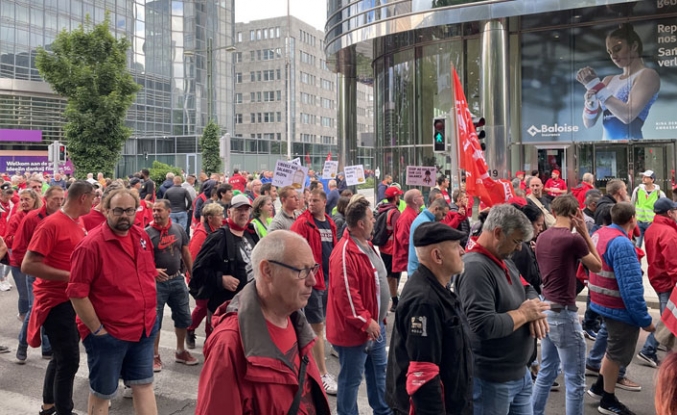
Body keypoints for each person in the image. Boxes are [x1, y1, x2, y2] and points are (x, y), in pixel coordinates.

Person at [196, 231, 331, 414]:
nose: (312, 281)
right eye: (302, 271)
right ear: (267, 271)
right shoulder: (229, 344)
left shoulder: (295, 321)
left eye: (313, 269)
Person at [68, 188, 158, 414]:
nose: (124, 215)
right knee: (102, 394)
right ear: (106, 210)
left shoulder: (142, 236)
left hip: (144, 330)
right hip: (109, 334)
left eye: (130, 210)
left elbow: (147, 276)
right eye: (118, 210)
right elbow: (78, 294)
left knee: (144, 384)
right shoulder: (91, 245)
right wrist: (97, 330)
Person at [455, 204, 549, 415]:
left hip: (519, 374)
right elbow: (484, 325)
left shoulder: (502, 260)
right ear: (497, 232)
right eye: (516, 241)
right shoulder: (475, 268)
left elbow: (527, 288)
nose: (518, 248)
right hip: (492, 380)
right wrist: (524, 314)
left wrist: (533, 309)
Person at [23, 181, 95, 415]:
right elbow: (28, 265)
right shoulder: (51, 224)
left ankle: (48, 405)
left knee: (61, 356)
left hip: (71, 298)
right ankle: (64, 410)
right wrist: (72, 276)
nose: (94, 203)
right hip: (55, 301)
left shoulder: (78, 221)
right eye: (92, 198)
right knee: (69, 360)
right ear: (83, 198)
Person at [386, 222, 472, 414]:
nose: (462, 251)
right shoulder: (424, 301)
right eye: (456, 246)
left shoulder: (437, 289)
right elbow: (423, 376)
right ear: (437, 256)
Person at [532, 195, 603, 415]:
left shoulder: (543, 237)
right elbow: (598, 265)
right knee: (575, 380)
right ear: (576, 214)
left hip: (547, 307)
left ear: (553, 212)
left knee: (547, 370)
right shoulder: (573, 239)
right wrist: (584, 232)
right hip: (563, 311)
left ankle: (533, 412)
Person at [586, 202, 655, 415]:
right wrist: (645, 320)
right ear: (633, 218)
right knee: (617, 354)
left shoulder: (602, 234)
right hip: (619, 308)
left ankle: (599, 386)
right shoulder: (622, 244)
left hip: (602, 303)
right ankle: (608, 399)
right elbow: (631, 289)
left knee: (611, 350)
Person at [326, 195, 391, 415]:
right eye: (372, 218)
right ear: (361, 223)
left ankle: (382, 410)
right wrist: (366, 321)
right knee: (351, 380)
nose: (375, 221)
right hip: (357, 331)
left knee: (378, 373)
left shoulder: (366, 245)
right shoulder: (345, 253)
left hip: (374, 326)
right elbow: (347, 296)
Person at [290, 189, 338, 395]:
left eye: (315, 200)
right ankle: (322, 373)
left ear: (325, 202)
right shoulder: (302, 223)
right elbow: (293, 250)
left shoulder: (330, 222)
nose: (311, 203)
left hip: (328, 280)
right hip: (314, 282)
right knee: (317, 327)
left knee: (323, 323)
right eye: (309, 200)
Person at [577, 23, 660, 140]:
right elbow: (588, 123)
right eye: (610, 52)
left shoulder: (647, 75)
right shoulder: (608, 80)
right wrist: (590, 103)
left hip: (631, 145)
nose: (613, 56)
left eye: (617, 49)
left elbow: (627, 116)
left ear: (634, 46)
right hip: (606, 147)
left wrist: (596, 86)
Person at [13, 186, 64, 363]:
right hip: (36, 271)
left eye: (61, 199)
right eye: (55, 198)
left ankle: (47, 348)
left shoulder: (64, 218)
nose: (58, 202)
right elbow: (19, 246)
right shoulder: (32, 218)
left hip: (54, 272)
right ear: (45, 199)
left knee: (50, 308)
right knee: (34, 309)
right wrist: (25, 267)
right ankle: (22, 346)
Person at [145, 199, 196, 372]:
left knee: (183, 316)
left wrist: (191, 273)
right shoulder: (146, 233)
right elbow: (139, 260)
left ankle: (181, 351)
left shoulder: (179, 229)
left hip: (177, 280)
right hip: (156, 284)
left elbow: (185, 252)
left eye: (159, 210)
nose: (156, 214)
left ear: (168, 212)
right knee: (155, 320)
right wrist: (152, 271)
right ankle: (154, 355)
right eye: (154, 211)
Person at [190, 194, 260, 314]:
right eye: (238, 210)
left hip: (250, 302)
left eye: (246, 209)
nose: (243, 213)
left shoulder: (251, 233)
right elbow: (198, 270)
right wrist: (220, 279)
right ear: (229, 212)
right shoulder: (218, 237)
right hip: (225, 306)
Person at [636, 197, 677, 368]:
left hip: (657, 278)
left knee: (667, 316)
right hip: (667, 281)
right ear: (669, 212)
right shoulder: (669, 233)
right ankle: (650, 350)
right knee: (668, 319)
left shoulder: (654, 227)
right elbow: (673, 262)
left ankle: (660, 351)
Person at [186, 203, 224, 347]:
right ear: (210, 218)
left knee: (209, 307)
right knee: (203, 307)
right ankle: (190, 329)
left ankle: (209, 336)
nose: (222, 217)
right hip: (200, 278)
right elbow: (193, 257)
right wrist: (194, 279)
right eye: (219, 215)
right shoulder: (202, 233)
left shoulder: (216, 229)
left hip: (209, 276)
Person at [6, 189, 42, 320]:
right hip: (18, 262)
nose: (24, 202)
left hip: (36, 261)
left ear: (35, 200)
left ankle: (30, 322)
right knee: (25, 295)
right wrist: (22, 236)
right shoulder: (17, 217)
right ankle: (23, 317)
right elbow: (8, 239)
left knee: (36, 295)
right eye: (21, 200)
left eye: (27, 199)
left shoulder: (40, 216)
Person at [375, 186, 402, 312]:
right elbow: (399, 232)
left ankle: (391, 299)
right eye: (399, 196)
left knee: (389, 276)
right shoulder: (395, 212)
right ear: (395, 197)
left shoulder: (382, 209)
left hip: (384, 247)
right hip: (392, 249)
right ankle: (394, 301)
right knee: (392, 277)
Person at [407, 198, 448, 275]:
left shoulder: (426, 220)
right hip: (419, 272)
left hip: (419, 270)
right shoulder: (424, 223)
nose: (443, 218)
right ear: (436, 209)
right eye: (443, 214)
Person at [392, 189, 424, 278]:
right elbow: (403, 239)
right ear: (414, 201)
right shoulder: (407, 217)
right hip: (412, 259)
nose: (423, 198)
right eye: (420, 196)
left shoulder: (412, 214)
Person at [631, 169, 665, 248]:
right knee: (637, 246)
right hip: (639, 222)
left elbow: (664, 209)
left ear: (652, 179)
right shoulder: (637, 190)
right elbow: (632, 204)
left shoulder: (659, 193)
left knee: (652, 246)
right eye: (643, 177)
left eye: (646, 177)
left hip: (652, 223)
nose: (643, 178)